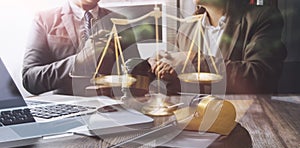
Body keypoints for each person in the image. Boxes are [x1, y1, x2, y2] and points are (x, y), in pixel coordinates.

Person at [156, 0, 287, 94]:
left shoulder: (262, 18)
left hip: (246, 120)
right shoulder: (186, 29)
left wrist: (195, 60)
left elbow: (260, 78)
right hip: (196, 122)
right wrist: (158, 71)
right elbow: (180, 86)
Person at [22, 0, 140, 96]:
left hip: (114, 110)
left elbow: (136, 74)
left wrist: (151, 66)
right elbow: (30, 80)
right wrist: (78, 61)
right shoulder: (44, 19)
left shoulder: (119, 20)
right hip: (68, 113)